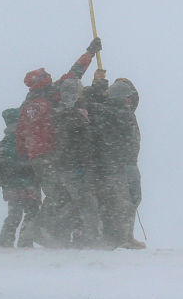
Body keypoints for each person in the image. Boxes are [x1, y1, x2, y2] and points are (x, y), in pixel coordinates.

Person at [16, 37, 102, 246]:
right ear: (43, 80)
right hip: (53, 155)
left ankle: (49, 233)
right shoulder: (52, 94)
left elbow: (20, 134)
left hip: (36, 158)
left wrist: (24, 157)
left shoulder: (26, 106)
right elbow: (75, 73)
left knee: (58, 196)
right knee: (60, 196)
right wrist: (90, 53)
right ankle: (38, 232)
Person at [86, 72, 143, 249]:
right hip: (121, 164)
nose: (130, 101)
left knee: (122, 201)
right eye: (127, 97)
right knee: (126, 200)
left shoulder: (103, 110)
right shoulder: (118, 113)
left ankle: (122, 236)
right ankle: (122, 236)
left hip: (120, 163)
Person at [52, 79, 102, 248]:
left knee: (68, 202)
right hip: (76, 166)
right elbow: (84, 144)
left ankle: (63, 236)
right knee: (85, 203)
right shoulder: (75, 117)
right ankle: (89, 238)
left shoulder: (58, 115)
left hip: (62, 166)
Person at [0, 108, 40, 248]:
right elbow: (32, 159)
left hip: (10, 185)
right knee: (32, 211)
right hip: (28, 182)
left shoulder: (3, 143)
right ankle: (25, 241)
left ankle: (5, 241)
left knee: (14, 214)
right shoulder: (25, 139)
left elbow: (2, 165)